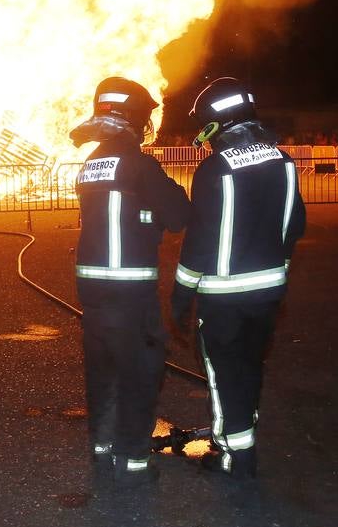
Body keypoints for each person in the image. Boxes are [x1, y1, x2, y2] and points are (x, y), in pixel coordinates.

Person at [170, 78, 305, 479]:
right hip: (268, 294)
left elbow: (199, 240)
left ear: (215, 123)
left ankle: (234, 455)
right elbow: (295, 224)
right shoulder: (283, 161)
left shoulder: (215, 168)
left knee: (224, 371)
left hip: (224, 298)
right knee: (249, 365)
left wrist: (180, 295)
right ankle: (241, 429)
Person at [71, 77, 190, 487]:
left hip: (93, 291)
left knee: (103, 371)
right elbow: (179, 214)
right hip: (130, 292)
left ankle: (103, 449)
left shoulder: (90, 165)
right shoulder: (139, 165)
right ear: (135, 119)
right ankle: (135, 462)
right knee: (140, 373)